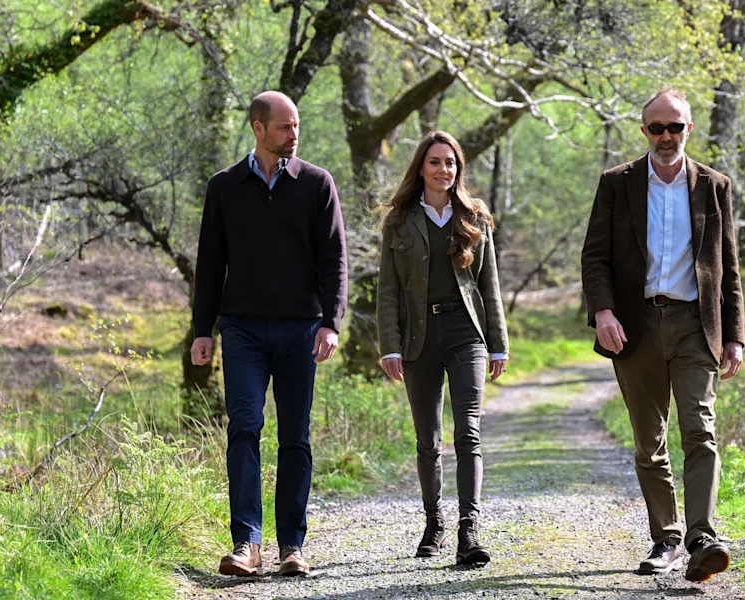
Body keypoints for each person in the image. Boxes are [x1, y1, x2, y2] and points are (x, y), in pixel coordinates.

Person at [580, 88, 745, 582]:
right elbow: (595, 258)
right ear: (644, 130)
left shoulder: (715, 186)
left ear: (689, 129)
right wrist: (604, 312)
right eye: (657, 128)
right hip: (636, 325)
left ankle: (702, 537)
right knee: (649, 441)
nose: (667, 136)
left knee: (701, 430)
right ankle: (667, 539)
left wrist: (734, 336)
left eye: (676, 127)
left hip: (697, 325)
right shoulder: (617, 184)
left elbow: (729, 269)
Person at [191, 90, 348, 577]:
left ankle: (292, 547)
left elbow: (335, 260)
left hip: (301, 328)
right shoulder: (225, 187)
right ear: (258, 129)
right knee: (244, 428)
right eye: (284, 127)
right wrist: (203, 330)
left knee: (295, 438)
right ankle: (247, 544)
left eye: (297, 125)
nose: (293, 134)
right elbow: (210, 263)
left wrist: (331, 322)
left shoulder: (317, 184)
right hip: (242, 330)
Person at [376, 130, 508, 565]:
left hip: (465, 333)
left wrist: (497, 345)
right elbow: (388, 290)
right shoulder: (399, 220)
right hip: (417, 337)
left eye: (450, 163)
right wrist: (389, 346)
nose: (443, 170)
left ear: (458, 169)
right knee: (427, 440)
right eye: (435, 162)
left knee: (467, 432)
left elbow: (489, 285)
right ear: (421, 167)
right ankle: (434, 524)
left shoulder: (474, 216)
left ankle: (469, 532)